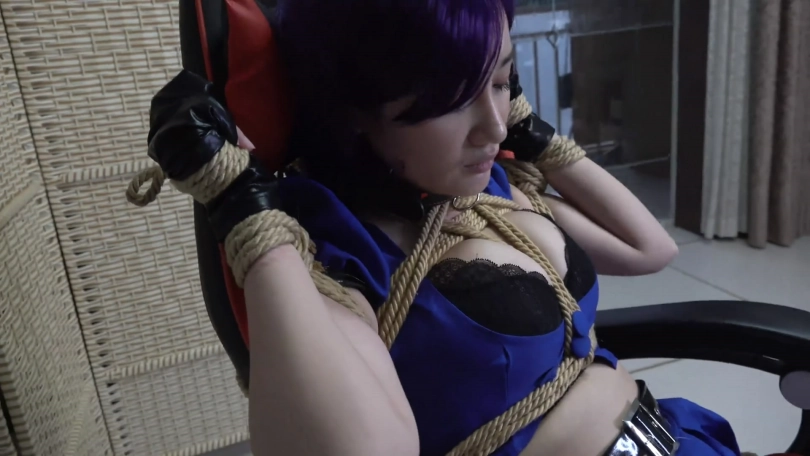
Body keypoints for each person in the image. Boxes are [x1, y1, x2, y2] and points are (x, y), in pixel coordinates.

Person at [143, 1, 744, 455]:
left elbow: (648, 247)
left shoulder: (490, 192)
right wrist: (241, 206)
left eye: (503, 81)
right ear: (354, 111)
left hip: (675, 434)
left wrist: (534, 133)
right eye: (454, 100)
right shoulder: (343, 254)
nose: (494, 128)